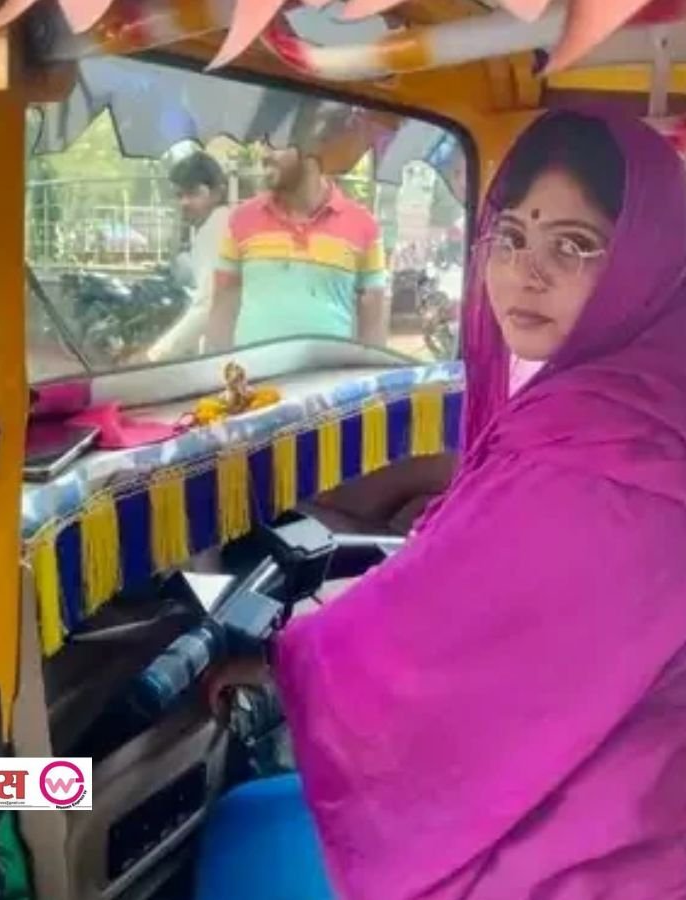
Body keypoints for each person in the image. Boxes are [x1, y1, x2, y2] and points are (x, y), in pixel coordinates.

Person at [200, 109, 686, 899]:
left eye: (573, 245)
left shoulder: (607, 449)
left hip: (595, 850)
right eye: (512, 236)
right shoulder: (639, 399)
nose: (526, 273)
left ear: (645, 261)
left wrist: (285, 663)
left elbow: (445, 638)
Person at [206, 144, 389, 351]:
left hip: (328, 370)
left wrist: (371, 371)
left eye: (276, 144)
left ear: (311, 147)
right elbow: (222, 309)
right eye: (264, 144)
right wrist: (219, 370)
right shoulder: (241, 219)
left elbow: (373, 326)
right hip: (252, 371)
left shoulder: (364, 226)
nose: (265, 155)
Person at [146, 150, 232, 361]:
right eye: (179, 195)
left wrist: (154, 356)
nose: (184, 202)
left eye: (194, 193)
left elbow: (207, 307)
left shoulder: (217, 228)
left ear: (218, 193)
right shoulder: (222, 223)